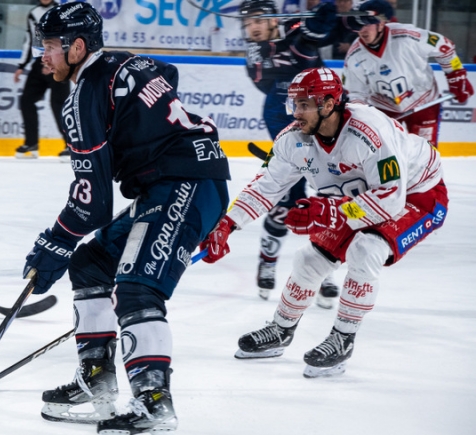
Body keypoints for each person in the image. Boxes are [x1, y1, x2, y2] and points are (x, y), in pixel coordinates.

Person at [23, 2, 230, 435]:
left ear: (78, 48)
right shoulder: (123, 62)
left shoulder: (82, 96)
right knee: (93, 265)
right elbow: (166, 72)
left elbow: (94, 204)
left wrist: (53, 243)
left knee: (137, 289)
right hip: (182, 184)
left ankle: (155, 411)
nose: (44, 56)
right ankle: (97, 385)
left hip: (183, 185)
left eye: (52, 47)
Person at [200, 67, 448, 378]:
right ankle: (281, 330)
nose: (295, 112)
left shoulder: (371, 132)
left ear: (329, 104)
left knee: (366, 249)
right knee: (309, 259)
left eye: (304, 104)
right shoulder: (293, 140)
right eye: (294, 104)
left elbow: (389, 199)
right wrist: (227, 224)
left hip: (416, 195)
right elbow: (265, 187)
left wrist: (329, 211)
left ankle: (343, 339)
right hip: (357, 200)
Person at [239, 0, 340, 307]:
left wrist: (319, 24)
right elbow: (272, 66)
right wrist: (304, 32)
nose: (253, 27)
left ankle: (324, 269)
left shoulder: (295, 32)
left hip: (324, 114)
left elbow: (318, 39)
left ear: (274, 19)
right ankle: (268, 260)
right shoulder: (257, 52)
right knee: (288, 196)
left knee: (328, 195)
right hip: (283, 114)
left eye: (259, 20)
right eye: (248, 23)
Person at [342, 0, 473, 147]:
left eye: (367, 24)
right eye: (358, 25)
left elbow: (444, 46)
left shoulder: (408, 36)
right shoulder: (355, 55)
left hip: (424, 103)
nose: (362, 31)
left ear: (381, 23)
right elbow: (355, 92)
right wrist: (362, 114)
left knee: (425, 155)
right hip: (384, 110)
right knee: (381, 155)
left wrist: (456, 76)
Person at [14, 0, 70, 159]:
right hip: (40, 62)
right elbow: (29, 39)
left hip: (60, 62)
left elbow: (66, 37)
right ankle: (31, 143)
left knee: (58, 104)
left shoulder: (62, 11)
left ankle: (71, 145)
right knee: (26, 99)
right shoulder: (33, 13)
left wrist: (56, 60)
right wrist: (21, 65)